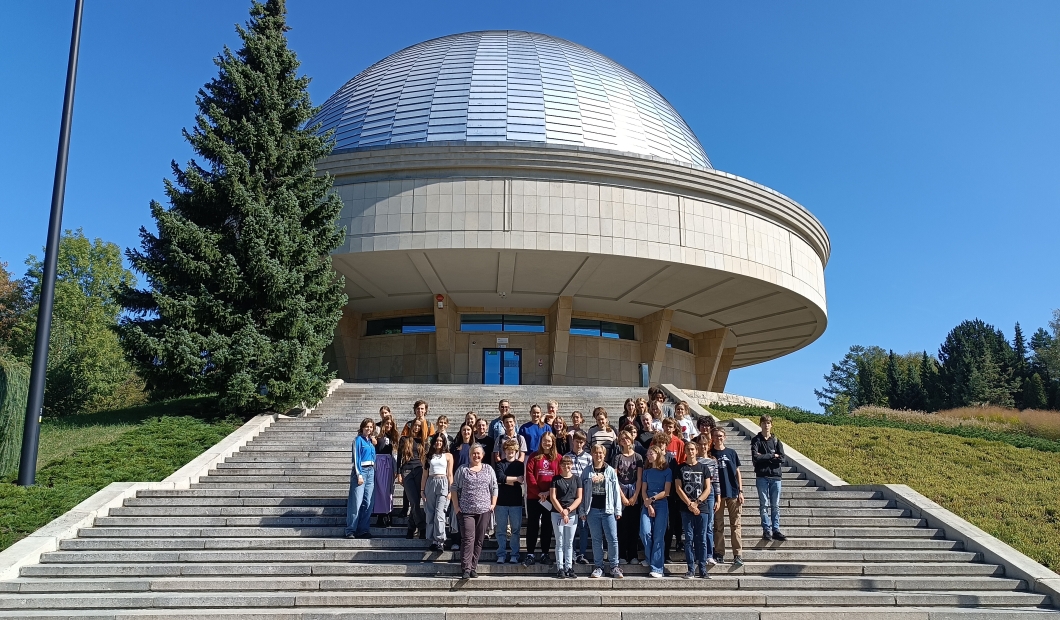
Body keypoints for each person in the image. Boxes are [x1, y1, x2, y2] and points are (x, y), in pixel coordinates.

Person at [451, 444, 498, 579]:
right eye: (473, 453)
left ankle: (473, 567)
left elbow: (494, 487)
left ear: (482, 455)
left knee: (479, 540)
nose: (476, 456)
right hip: (466, 510)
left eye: (478, 453)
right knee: (468, 539)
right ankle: (465, 568)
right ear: (470, 455)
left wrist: (493, 504)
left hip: (484, 510)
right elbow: (454, 488)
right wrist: (456, 507)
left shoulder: (488, 469)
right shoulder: (463, 469)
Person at [675, 441, 719, 579]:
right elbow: (678, 488)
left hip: (703, 508)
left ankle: (703, 569)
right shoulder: (680, 468)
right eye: (688, 449)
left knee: (702, 539)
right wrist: (689, 504)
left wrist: (697, 502)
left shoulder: (704, 468)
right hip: (686, 508)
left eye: (693, 449)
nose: (691, 452)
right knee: (689, 539)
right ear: (685, 451)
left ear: (697, 450)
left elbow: (708, 488)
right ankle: (690, 569)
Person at [581, 444, 623, 578]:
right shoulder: (587, 471)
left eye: (601, 453)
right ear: (592, 454)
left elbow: (616, 491)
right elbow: (581, 493)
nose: (598, 455)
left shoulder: (610, 471)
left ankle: (614, 566)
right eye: (596, 452)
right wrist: (582, 510)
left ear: (604, 455)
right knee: (596, 539)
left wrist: (618, 509)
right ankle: (599, 566)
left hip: (608, 509)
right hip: (592, 509)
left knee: (612, 538)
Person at [524, 431, 558, 567]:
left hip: (550, 498)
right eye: (544, 440)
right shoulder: (533, 457)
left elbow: (558, 478)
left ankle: (545, 553)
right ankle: (530, 553)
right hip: (534, 498)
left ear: (553, 442)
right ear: (541, 441)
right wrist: (539, 493)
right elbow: (530, 476)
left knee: (547, 526)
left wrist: (548, 493)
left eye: (549, 441)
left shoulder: (557, 458)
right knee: (532, 525)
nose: (547, 443)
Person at [711, 427, 744, 566]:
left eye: (721, 435)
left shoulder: (731, 453)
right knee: (718, 525)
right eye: (716, 435)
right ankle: (719, 552)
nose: (718, 438)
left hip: (732, 492)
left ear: (725, 437)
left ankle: (738, 554)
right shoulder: (710, 453)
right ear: (712, 437)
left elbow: (737, 472)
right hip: (718, 494)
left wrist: (741, 491)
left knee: (735, 524)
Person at [751, 414, 787, 541]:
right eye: (764, 423)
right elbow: (756, 458)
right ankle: (766, 529)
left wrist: (765, 456)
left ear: (771, 425)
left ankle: (776, 529)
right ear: (760, 424)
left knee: (775, 505)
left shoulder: (776, 441)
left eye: (768, 423)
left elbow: (782, 458)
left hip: (775, 477)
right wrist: (772, 456)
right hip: (762, 476)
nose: (766, 425)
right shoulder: (756, 440)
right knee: (764, 504)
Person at [640, 445, 672, 578]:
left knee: (658, 536)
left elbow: (666, 491)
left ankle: (657, 568)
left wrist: (652, 499)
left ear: (658, 455)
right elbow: (643, 489)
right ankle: (650, 558)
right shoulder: (646, 471)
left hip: (661, 504)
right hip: (647, 504)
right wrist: (648, 504)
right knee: (645, 532)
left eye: (651, 453)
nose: (648, 456)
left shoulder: (667, 471)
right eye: (648, 454)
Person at [612, 429, 643, 565]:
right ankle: (622, 555)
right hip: (621, 495)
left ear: (631, 440)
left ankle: (633, 555)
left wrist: (636, 495)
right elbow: (614, 478)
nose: (625, 441)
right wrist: (622, 497)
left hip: (635, 495)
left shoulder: (638, 457)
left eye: (627, 439)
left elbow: (640, 478)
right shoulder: (617, 457)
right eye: (622, 439)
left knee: (634, 526)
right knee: (622, 526)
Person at [549, 455, 582, 579]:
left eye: (568, 464)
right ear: (560, 466)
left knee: (569, 542)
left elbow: (579, 497)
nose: (566, 466)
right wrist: (562, 511)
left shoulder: (577, 479)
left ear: (572, 465)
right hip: (557, 513)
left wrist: (568, 510)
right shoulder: (555, 479)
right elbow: (553, 497)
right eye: (563, 464)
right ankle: (560, 567)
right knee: (560, 541)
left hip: (572, 513)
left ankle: (569, 567)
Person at [493, 438, 525, 564]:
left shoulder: (519, 465)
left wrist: (508, 480)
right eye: (508, 449)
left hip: (516, 501)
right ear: (504, 450)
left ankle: (514, 554)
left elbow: (522, 480)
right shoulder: (500, 464)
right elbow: (500, 478)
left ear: (516, 451)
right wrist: (515, 479)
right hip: (501, 501)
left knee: (515, 530)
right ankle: (501, 554)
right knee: (500, 530)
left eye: (512, 450)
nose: (510, 452)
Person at [422, 432, 454, 552]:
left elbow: (450, 474)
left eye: (441, 441)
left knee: (440, 513)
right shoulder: (428, 456)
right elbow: (424, 475)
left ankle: (440, 540)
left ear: (444, 442)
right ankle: (433, 540)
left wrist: (451, 490)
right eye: (437, 441)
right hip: (430, 482)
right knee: (430, 513)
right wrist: (422, 490)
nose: (438, 443)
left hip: (443, 482)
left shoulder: (448, 456)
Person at [345, 418, 377, 539]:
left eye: (371, 427)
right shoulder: (358, 440)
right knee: (356, 502)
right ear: (362, 427)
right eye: (367, 427)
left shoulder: (370, 441)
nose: (369, 429)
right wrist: (359, 475)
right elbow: (356, 458)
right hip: (361, 471)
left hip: (371, 472)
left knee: (368, 502)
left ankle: (363, 529)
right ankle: (351, 529)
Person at [565, 430, 592, 564]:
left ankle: (581, 553)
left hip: (584, 495)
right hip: (570, 495)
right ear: (573, 441)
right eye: (577, 441)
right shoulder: (567, 456)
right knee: (571, 527)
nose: (579, 444)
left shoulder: (588, 457)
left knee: (582, 526)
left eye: (582, 442)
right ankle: (571, 553)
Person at [373, 416, 399, 528]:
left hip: (389, 463)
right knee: (380, 490)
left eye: (390, 424)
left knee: (388, 491)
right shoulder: (378, 435)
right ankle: (380, 515)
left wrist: (396, 469)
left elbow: (395, 454)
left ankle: (388, 514)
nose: (388, 426)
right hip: (379, 462)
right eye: (386, 424)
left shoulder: (393, 437)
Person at [397, 439, 425, 539]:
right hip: (407, 470)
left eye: (419, 425)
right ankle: (422, 527)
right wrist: (399, 473)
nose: (416, 427)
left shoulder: (422, 440)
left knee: (415, 502)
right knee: (413, 501)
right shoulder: (404, 439)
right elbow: (399, 457)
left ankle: (411, 528)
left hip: (419, 470)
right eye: (415, 425)